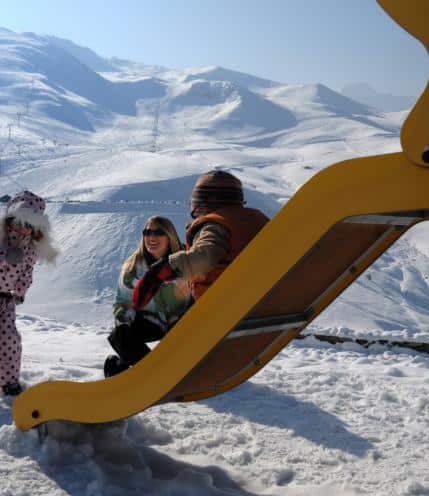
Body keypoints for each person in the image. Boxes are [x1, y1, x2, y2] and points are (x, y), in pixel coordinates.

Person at [132, 170, 269, 309]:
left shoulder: (218, 224)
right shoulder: (256, 220)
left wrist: (164, 268)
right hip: (261, 295)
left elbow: (205, 255)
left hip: (224, 306)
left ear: (204, 200)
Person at [104, 216, 191, 377]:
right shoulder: (133, 268)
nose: (151, 237)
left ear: (169, 236)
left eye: (158, 232)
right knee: (119, 334)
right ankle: (150, 372)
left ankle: (191, 366)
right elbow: (123, 303)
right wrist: (125, 324)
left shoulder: (186, 260)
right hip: (152, 322)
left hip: (181, 322)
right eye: (147, 232)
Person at [0, 191, 57, 396]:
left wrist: (21, 290)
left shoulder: (31, 249)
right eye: (19, 221)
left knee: (10, 341)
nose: (23, 228)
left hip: (6, 300)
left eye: (29, 225)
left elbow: (27, 273)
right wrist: (6, 258)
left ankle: (9, 382)